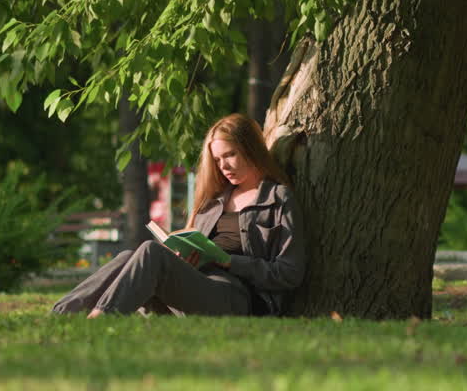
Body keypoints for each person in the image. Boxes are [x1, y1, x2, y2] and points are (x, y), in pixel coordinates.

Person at [50, 113, 304, 317]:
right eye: (218, 159)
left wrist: (229, 262)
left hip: (236, 297)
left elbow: (289, 273)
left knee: (151, 252)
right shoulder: (213, 201)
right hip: (195, 288)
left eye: (230, 155)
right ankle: (62, 314)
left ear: (251, 149)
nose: (224, 166)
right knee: (129, 256)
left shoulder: (277, 198)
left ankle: (102, 317)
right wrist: (184, 258)